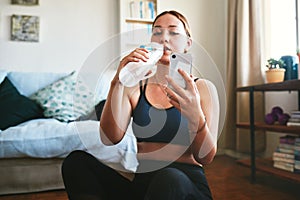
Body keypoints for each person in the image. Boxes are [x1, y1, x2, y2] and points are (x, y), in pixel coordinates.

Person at [62, 10, 220, 200]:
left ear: (188, 43)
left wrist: (196, 116)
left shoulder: (203, 88)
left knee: (169, 178)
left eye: (173, 32)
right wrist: (118, 82)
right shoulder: (136, 86)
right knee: (76, 162)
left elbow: (206, 157)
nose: (164, 39)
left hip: (185, 186)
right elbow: (109, 137)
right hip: (143, 188)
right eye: (157, 32)